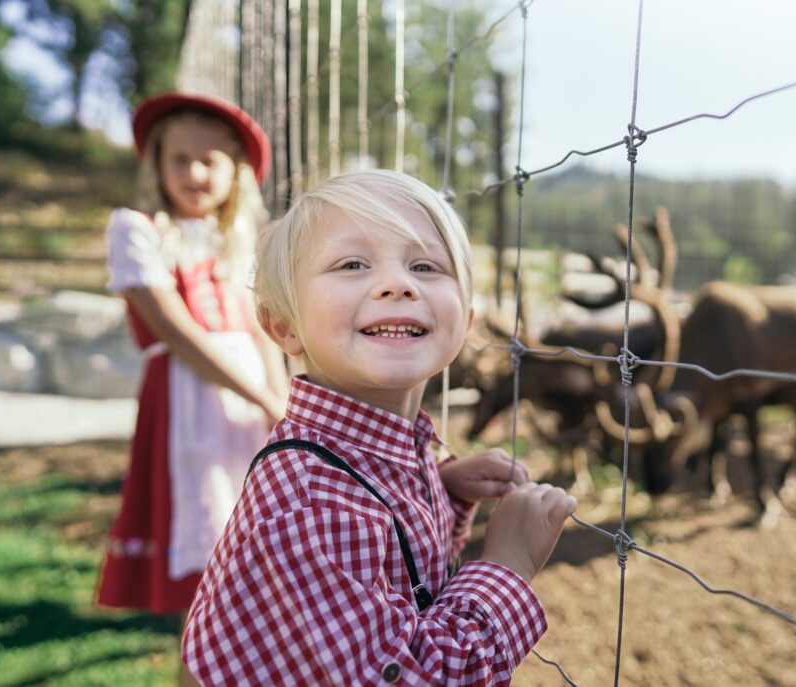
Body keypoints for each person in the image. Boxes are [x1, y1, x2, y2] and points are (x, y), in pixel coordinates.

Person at [182, 169, 577, 685]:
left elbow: (391, 572)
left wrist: (443, 491)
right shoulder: (312, 500)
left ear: (468, 318)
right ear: (283, 324)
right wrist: (508, 563)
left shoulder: (367, 457)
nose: (397, 283)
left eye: (425, 265)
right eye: (352, 264)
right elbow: (406, 676)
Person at [95, 92, 288, 685]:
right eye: (180, 159)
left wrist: (282, 406)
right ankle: (194, 672)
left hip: (251, 410)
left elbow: (261, 336)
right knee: (206, 560)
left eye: (211, 161)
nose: (195, 173)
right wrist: (261, 396)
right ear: (156, 164)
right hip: (189, 408)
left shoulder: (242, 245)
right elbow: (178, 334)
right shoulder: (138, 231)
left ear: (237, 172)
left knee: (254, 563)